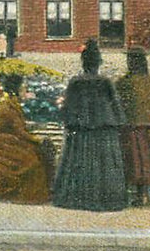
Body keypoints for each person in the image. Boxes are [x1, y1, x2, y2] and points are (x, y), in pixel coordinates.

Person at [51, 39, 129, 212]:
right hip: (103, 127)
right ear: (98, 63)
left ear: (84, 62)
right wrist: (119, 121)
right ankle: (105, 198)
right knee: (103, 164)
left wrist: (68, 119)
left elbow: (67, 107)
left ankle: (77, 196)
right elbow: (115, 105)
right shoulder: (105, 82)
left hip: (81, 128)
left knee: (79, 162)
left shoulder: (76, 81)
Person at [116, 48, 150, 207]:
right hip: (149, 127)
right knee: (146, 161)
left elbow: (119, 101)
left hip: (131, 126)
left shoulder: (124, 82)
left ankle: (131, 194)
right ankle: (142, 193)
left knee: (131, 161)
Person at [0, 73, 51, 204]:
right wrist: (38, 140)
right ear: (16, 89)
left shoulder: (12, 104)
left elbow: (18, 128)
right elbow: (20, 131)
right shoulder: (9, 106)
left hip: (9, 144)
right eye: (23, 88)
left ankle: (37, 195)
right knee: (33, 162)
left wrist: (33, 129)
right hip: (2, 148)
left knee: (37, 155)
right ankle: (32, 197)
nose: (25, 90)